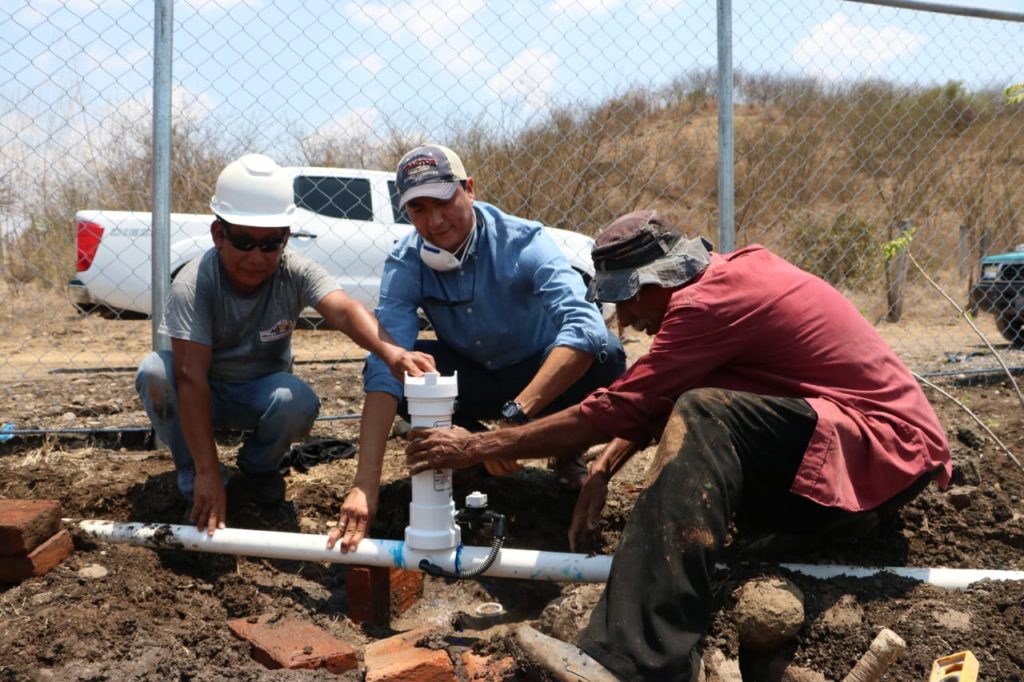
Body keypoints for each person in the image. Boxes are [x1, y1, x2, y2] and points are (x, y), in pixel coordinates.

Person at [404, 209, 952, 680]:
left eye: (627, 301)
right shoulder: (731, 277)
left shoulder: (707, 304)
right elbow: (655, 396)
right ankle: (824, 526)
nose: (628, 321)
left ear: (656, 283)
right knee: (700, 404)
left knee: (704, 411)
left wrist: (480, 446)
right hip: (876, 453)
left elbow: (623, 406)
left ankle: (635, 661)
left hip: (882, 446)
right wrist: (603, 470)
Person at [326, 144, 626, 552]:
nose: (434, 221)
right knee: (398, 364)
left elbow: (585, 327)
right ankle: (468, 448)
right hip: (471, 376)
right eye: (418, 209)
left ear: (469, 189)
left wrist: (516, 417)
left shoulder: (525, 242)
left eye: (444, 202)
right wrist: (365, 485)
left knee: (606, 354)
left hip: (538, 376)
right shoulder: (407, 259)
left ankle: (564, 450)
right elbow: (386, 361)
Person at [135, 153, 434, 536]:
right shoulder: (194, 284)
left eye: (270, 243)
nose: (256, 256)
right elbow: (190, 377)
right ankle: (198, 478)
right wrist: (207, 470)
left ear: (285, 238)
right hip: (202, 393)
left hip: (260, 397)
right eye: (243, 242)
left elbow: (344, 311)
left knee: (298, 400)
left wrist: (392, 352)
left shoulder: (294, 270)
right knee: (155, 372)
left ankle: (258, 469)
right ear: (218, 234)